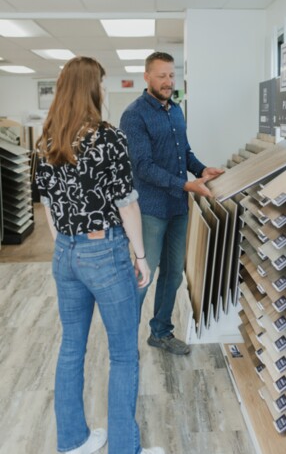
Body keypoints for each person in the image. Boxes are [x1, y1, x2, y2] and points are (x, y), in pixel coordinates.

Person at [36, 56, 164, 454]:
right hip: (104, 251)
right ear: (91, 88)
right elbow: (127, 204)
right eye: (103, 84)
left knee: (72, 345)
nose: (105, 90)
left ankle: (73, 440)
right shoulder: (108, 137)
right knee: (124, 353)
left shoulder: (46, 141)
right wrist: (140, 257)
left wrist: (68, 242)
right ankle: (125, 448)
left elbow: (49, 208)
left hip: (66, 252)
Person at [120, 52, 223, 356]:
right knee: (144, 275)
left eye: (171, 75)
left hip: (178, 208)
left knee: (173, 274)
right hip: (150, 210)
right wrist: (184, 184)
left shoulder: (176, 110)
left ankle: (161, 332)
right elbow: (142, 166)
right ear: (147, 77)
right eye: (161, 75)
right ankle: (124, 342)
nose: (167, 81)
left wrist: (201, 170)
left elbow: (184, 153)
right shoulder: (134, 115)